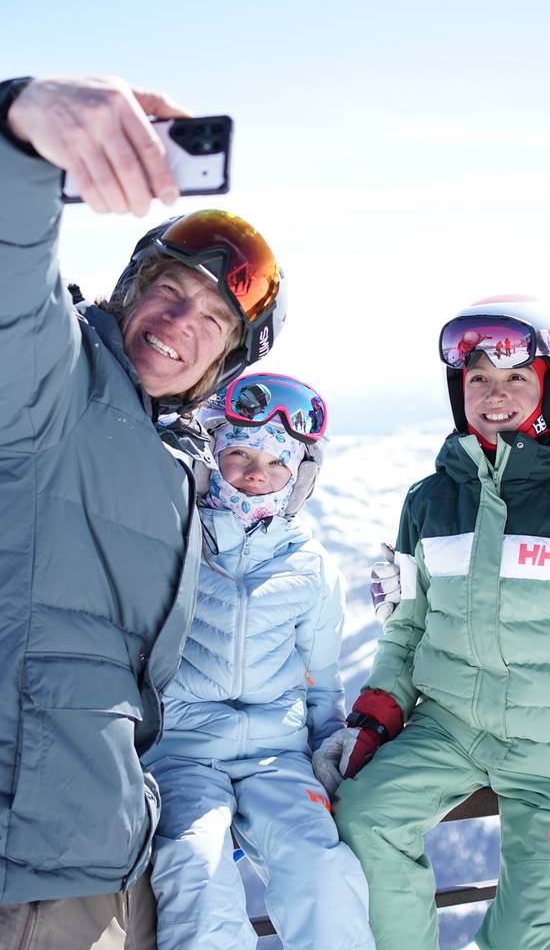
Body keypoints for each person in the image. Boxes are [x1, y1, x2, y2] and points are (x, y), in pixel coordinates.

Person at [0, 76, 286, 950]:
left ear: (224, 363)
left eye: (212, 318)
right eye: (167, 289)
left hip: (109, 853)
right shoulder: (55, 385)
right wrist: (18, 135)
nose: (177, 322)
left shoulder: (176, 457)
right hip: (25, 871)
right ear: (129, 288)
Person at [313, 295, 550, 950]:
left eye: (515, 379)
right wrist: (374, 716)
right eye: (479, 381)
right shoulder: (431, 501)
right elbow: (407, 626)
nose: (495, 396)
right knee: (366, 814)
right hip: (450, 725)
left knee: (530, 929)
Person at [144, 373, 375, 950]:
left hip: (277, 758)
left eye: (277, 464)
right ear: (212, 454)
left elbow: (322, 679)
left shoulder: (310, 565)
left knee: (322, 869)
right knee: (195, 866)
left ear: (299, 476)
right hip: (184, 753)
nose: (255, 475)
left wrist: (328, 747)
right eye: (240, 454)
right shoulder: (174, 539)